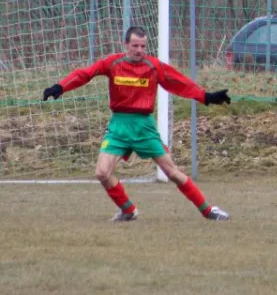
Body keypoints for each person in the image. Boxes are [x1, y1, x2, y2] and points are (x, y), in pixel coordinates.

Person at [42, 26, 231, 222]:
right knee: (102, 173)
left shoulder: (153, 66)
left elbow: (179, 82)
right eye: (135, 46)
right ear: (126, 45)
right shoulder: (112, 63)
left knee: (171, 172)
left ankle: (208, 211)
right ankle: (128, 210)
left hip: (144, 127)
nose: (139, 50)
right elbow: (85, 74)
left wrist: (206, 97)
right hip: (119, 126)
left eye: (143, 46)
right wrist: (61, 87)